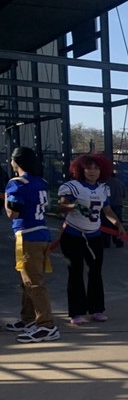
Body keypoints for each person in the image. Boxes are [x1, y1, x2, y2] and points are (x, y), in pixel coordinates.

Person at [57, 153, 126, 324]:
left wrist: (118, 225)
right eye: (88, 168)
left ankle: (97, 309)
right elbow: (61, 207)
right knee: (75, 273)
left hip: (94, 236)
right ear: (81, 169)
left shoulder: (103, 189)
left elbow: (108, 211)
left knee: (95, 273)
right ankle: (76, 312)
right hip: (73, 235)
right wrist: (75, 206)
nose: (92, 171)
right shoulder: (72, 186)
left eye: (96, 168)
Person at [4, 147, 59, 343]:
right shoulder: (41, 182)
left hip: (27, 235)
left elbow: (13, 212)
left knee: (34, 282)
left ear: (15, 162)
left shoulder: (16, 183)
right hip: (42, 232)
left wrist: (5, 200)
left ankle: (46, 325)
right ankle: (29, 318)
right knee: (27, 280)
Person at [103, 172, 126, 248]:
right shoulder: (120, 183)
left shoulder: (105, 184)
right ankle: (118, 241)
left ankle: (106, 242)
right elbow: (124, 195)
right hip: (118, 205)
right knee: (118, 224)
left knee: (107, 224)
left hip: (109, 206)